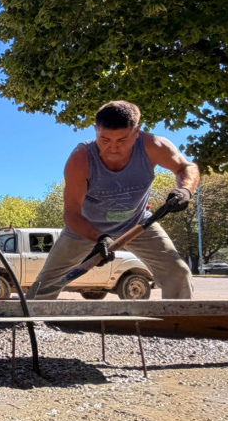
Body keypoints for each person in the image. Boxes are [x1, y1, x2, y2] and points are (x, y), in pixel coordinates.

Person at [29, 100, 199, 300]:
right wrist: (100, 238)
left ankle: (178, 324)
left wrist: (186, 190)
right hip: (86, 228)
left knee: (178, 272)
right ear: (95, 130)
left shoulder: (153, 146)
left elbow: (186, 167)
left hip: (138, 224)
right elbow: (72, 214)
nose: (113, 148)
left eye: (122, 140)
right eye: (105, 139)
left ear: (137, 131)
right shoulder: (81, 158)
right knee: (46, 283)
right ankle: (28, 323)